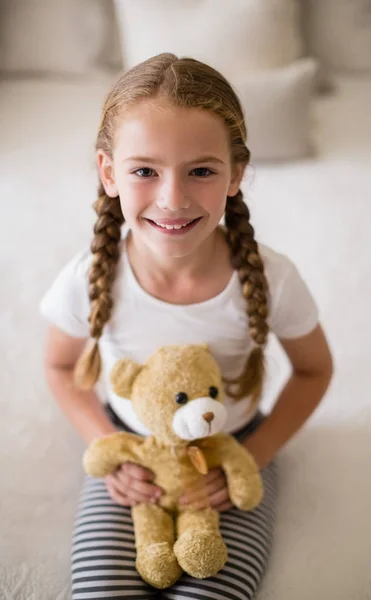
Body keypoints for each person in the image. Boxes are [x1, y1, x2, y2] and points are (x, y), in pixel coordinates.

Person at [40, 53, 333, 600]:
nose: (172, 199)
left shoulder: (271, 279)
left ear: (236, 174)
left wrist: (256, 454)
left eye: (200, 170)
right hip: (133, 452)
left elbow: (314, 370)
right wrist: (109, 448)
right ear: (108, 173)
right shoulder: (89, 277)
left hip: (229, 451)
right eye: (144, 170)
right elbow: (59, 365)